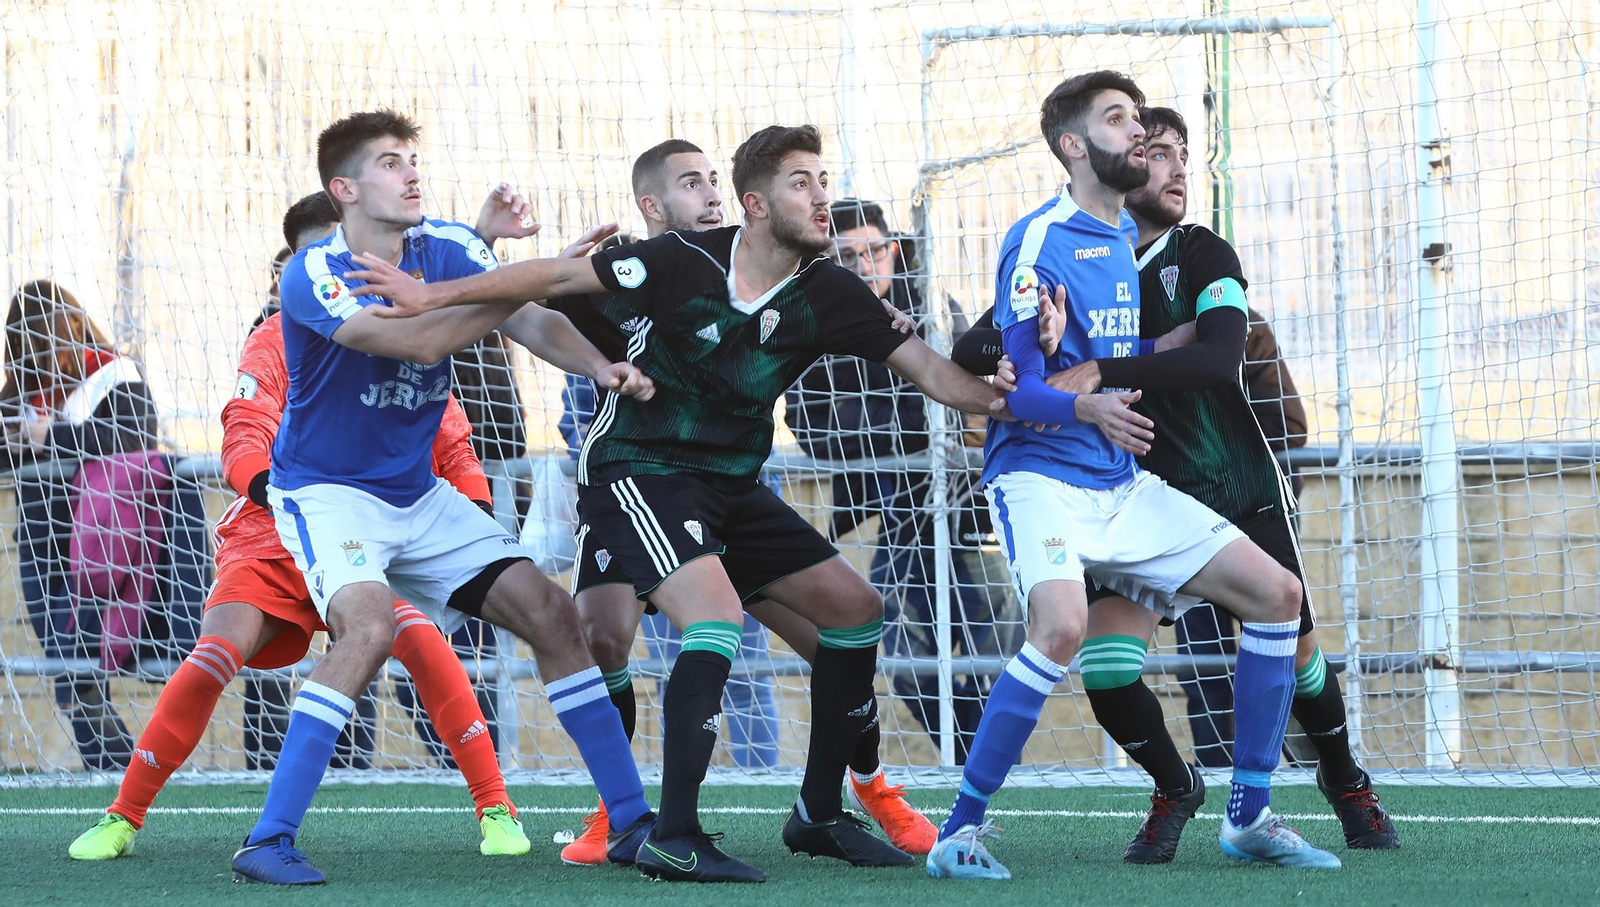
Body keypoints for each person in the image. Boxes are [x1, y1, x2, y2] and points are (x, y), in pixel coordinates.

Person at [349, 125, 1009, 882]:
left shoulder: (828, 289)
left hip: (729, 484)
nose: (823, 196)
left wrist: (1027, 401)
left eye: (824, 180)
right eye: (804, 183)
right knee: (632, 632)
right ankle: (664, 827)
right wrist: (432, 290)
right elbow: (552, 286)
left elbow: (935, 372)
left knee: (855, 612)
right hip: (638, 468)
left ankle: (825, 811)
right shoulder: (670, 260)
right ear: (756, 205)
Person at [922, 71, 1342, 880]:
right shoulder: (1041, 238)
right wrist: (1088, 404)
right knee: (1062, 629)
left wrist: (1160, 348)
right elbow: (1019, 389)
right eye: (1119, 120)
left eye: (1140, 119)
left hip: (1116, 480)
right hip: (1040, 475)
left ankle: (1250, 812)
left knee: (1279, 595)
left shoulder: (1118, 239)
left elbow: (1083, 358)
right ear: (1073, 145)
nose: (1139, 134)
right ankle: (959, 830)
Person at [228, 110, 657, 885]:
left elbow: (530, 315)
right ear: (346, 188)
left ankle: (630, 822)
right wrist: (516, 273)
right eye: (392, 162)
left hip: (416, 494)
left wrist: (599, 364)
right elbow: (418, 341)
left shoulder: (452, 247)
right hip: (328, 494)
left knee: (553, 613)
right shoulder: (315, 270)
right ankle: (267, 838)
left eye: (414, 159)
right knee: (368, 630)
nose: (413, 173)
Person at [65, 190, 533, 864]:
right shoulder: (277, 335)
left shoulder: (411, 331)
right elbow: (243, 431)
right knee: (216, 652)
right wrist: (276, 494)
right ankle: (123, 813)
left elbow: (451, 441)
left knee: (424, 642)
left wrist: (476, 512)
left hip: (374, 529)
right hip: (275, 528)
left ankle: (495, 805)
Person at [542, 142, 936, 867]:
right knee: (603, 639)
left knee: (836, 639)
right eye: (692, 184)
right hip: (638, 486)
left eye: (716, 181)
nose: (713, 195)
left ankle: (865, 787)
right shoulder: (633, 274)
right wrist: (563, 298)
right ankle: (624, 810)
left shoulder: (765, 272)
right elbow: (549, 327)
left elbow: (854, 329)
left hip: (732, 486)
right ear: (653, 209)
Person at [788, 197, 1014, 763]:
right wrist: (898, 429)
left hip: (963, 507)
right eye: (849, 255)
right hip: (882, 515)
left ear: (895, 249)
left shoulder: (934, 306)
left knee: (1011, 615)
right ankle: (966, 745)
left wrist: (933, 427)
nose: (867, 265)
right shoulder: (813, 323)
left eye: (876, 250)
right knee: (897, 650)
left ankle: (987, 739)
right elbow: (809, 426)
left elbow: (975, 399)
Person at [2, 280, 163, 771]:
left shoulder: (117, 373)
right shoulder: (24, 391)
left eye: (44, 344)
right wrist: (14, 443)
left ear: (71, 326)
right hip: (41, 546)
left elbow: (134, 437)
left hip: (104, 547)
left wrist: (51, 436)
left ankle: (132, 772)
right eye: (25, 349)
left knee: (97, 664)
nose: (40, 360)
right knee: (68, 671)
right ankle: (116, 772)